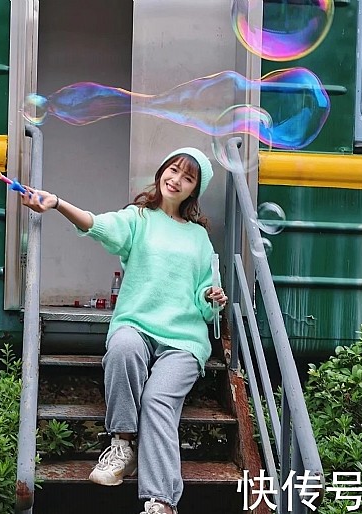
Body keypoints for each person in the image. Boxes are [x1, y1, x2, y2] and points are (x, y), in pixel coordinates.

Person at [20, 147, 228, 514]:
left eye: (188, 178)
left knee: (158, 400)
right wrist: (57, 203)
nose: (176, 180)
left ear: (194, 191)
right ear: (161, 172)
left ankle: (161, 501)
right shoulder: (138, 218)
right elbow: (96, 224)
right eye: (173, 170)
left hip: (183, 340)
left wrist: (213, 297)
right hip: (136, 324)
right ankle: (122, 444)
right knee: (122, 348)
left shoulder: (199, 237)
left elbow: (204, 297)